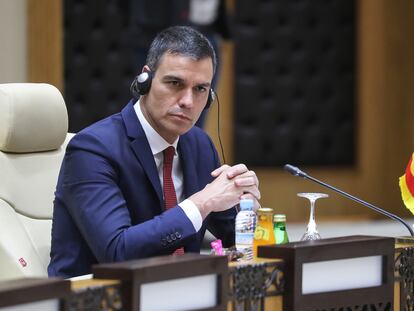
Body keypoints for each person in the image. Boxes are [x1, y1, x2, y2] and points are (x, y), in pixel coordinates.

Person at [48, 26, 260, 278]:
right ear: (145, 81)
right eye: (175, 83)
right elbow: (117, 252)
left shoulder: (199, 145)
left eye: (200, 89)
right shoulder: (92, 149)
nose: (188, 102)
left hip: (180, 295)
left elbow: (233, 237)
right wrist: (202, 202)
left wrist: (248, 209)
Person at [125, 0, 232, 128]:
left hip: (208, 32)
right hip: (157, 33)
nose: (187, 101)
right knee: (154, 116)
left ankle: (185, 147)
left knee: (193, 120)